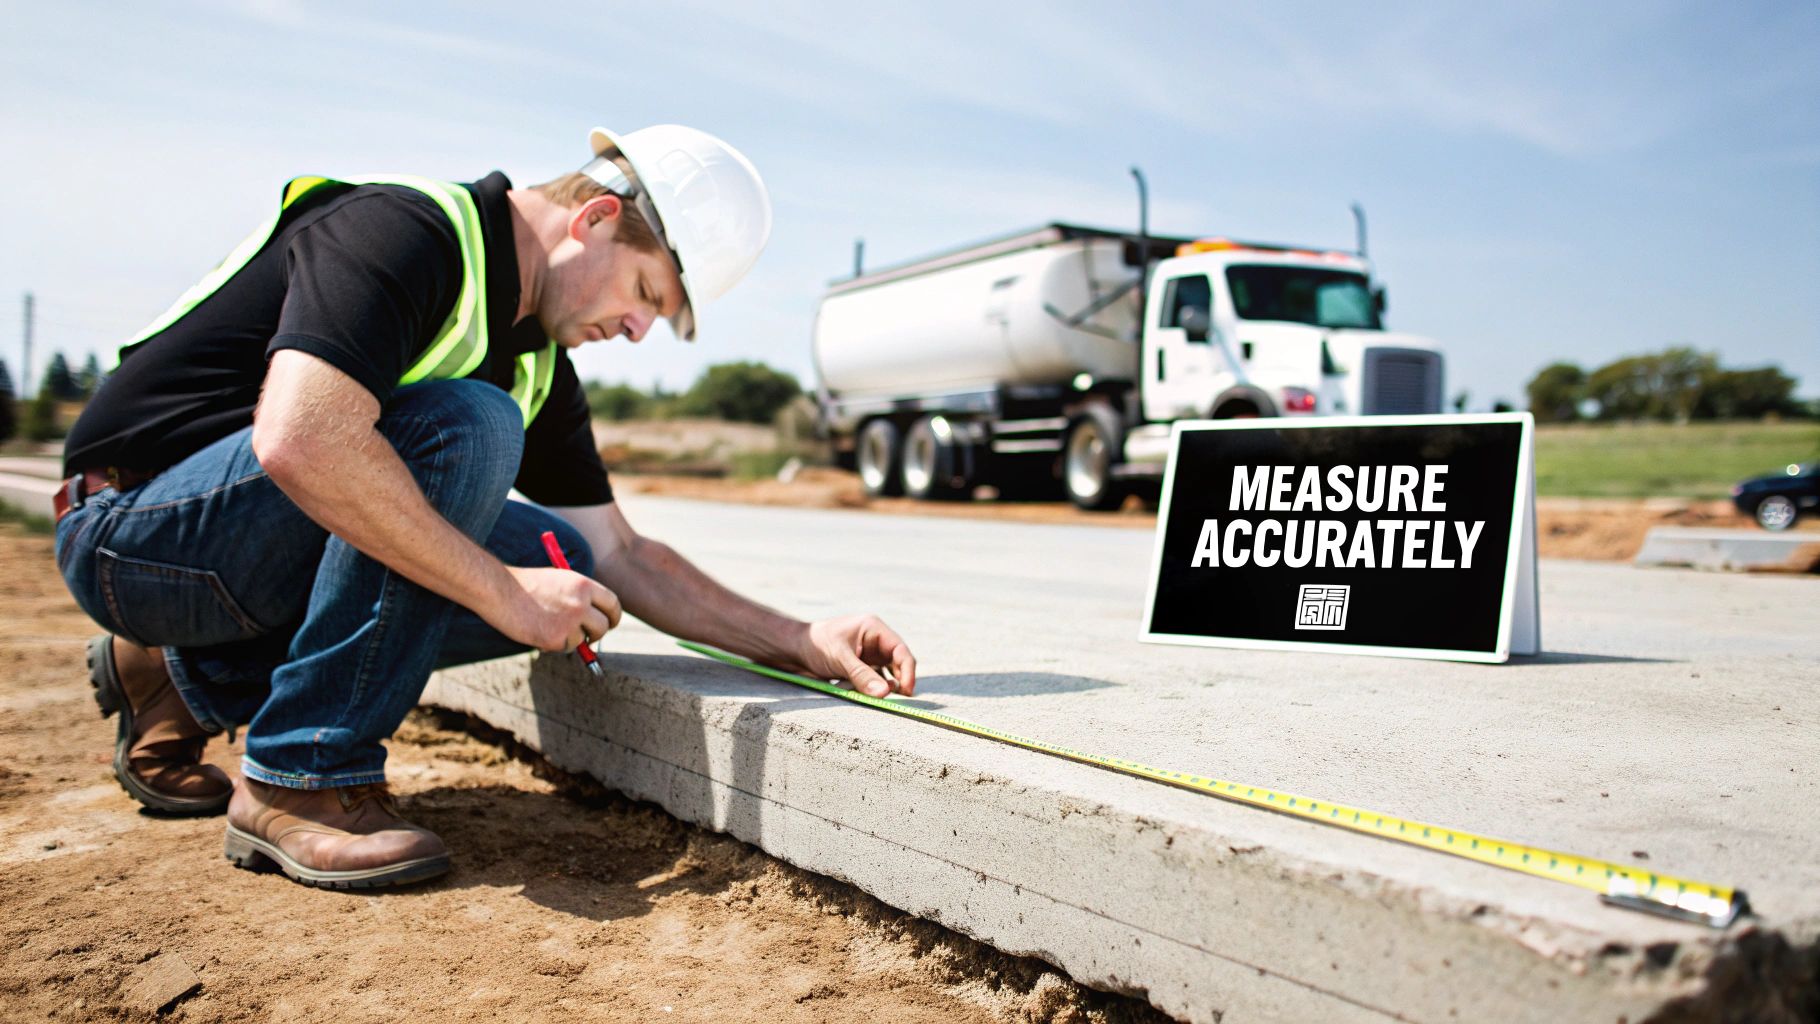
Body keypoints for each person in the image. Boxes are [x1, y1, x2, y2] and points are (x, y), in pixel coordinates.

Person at [53, 124, 917, 890]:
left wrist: (800, 641)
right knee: (469, 429)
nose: (638, 331)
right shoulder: (409, 231)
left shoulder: (537, 360)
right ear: (597, 220)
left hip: (238, 552)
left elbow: (622, 553)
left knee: (563, 561)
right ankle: (298, 778)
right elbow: (301, 438)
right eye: (648, 296)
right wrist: (500, 591)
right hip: (131, 535)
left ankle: (174, 675)